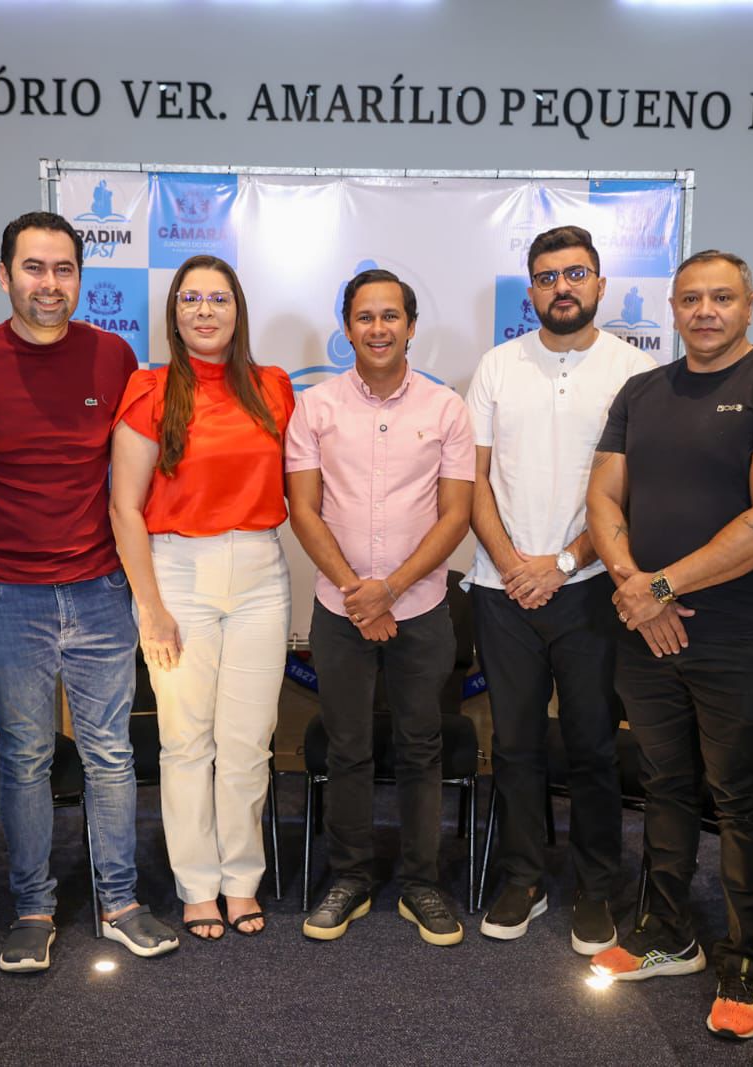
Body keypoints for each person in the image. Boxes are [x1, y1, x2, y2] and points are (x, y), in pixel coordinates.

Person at [0, 211, 177, 972]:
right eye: (34, 268)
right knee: (26, 756)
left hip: (101, 591)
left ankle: (120, 900)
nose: (49, 284)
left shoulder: (114, 355)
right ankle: (33, 906)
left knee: (108, 755)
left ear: (80, 278)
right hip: (6, 596)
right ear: (5, 275)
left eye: (64, 269)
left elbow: (137, 474)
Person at [586, 250, 753, 1042]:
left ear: (750, 304)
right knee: (664, 782)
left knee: (739, 793)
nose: (705, 310)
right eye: (691, 298)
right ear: (672, 308)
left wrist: (660, 587)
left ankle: (742, 955)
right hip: (644, 622)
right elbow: (605, 496)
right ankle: (667, 931)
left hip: (738, 632)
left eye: (722, 297)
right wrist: (634, 585)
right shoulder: (640, 390)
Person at [467, 225, 652, 952]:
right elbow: (473, 480)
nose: (561, 288)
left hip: (591, 587)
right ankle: (522, 876)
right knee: (513, 745)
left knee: (592, 746)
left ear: (601, 285)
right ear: (531, 290)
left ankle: (596, 885)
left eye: (576, 274)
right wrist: (515, 561)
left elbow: (632, 489)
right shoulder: (496, 366)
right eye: (546, 277)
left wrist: (563, 563)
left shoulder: (635, 372)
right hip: (500, 586)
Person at [286, 268, 475, 946]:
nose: (378, 328)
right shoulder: (316, 407)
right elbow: (302, 509)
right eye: (364, 316)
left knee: (423, 746)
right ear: (346, 329)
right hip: (339, 609)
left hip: (421, 607)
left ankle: (422, 883)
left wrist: (389, 589)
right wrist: (356, 591)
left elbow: (456, 517)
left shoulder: (446, 409)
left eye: (390, 315)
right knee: (348, 747)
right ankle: (352, 876)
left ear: (411, 325)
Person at [109, 255, 294, 940]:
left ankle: (241, 879)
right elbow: (125, 507)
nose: (206, 311)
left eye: (219, 298)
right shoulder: (149, 388)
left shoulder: (271, 387)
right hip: (177, 572)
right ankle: (196, 885)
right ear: (175, 312)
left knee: (247, 742)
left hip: (259, 574)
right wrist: (150, 606)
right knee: (186, 740)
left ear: (238, 309)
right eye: (192, 299)